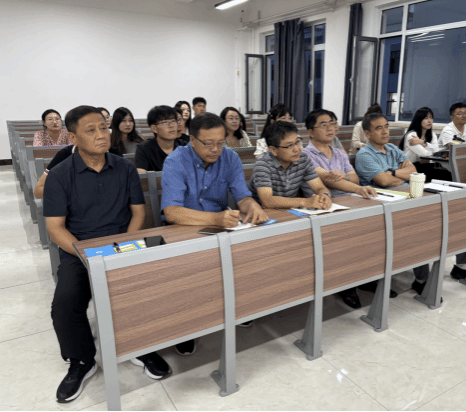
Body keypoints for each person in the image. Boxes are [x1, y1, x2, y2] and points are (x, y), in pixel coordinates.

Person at [44, 106, 170, 404]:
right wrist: (87, 256)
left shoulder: (124, 168)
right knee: (65, 302)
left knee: (151, 285)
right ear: (73, 137)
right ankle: (82, 360)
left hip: (122, 244)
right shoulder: (60, 175)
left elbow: (138, 214)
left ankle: (142, 346)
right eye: (91, 130)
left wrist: (121, 249)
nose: (101, 135)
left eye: (103, 127)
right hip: (78, 250)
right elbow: (55, 228)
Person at [162, 113, 269, 354]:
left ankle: (237, 308)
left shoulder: (230, 158)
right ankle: (186, 327)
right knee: (189, 271)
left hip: (220, 226)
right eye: (208, 143)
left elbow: (242, 196)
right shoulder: (176, 161)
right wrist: (215, 219)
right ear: (192, 140)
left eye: (220, 143)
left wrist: (253, 207)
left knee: (249, 255)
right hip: (184, 227)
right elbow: (172, 212)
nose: (215, 149)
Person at [302, 110, 395, 308]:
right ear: (310, 131)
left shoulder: (338, 152)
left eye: (332, 123)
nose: (330, 128)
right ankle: (347, 285)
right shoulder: (305, 155)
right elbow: (328, 180)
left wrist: (346, 178)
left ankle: (366, 277)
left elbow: (354, 178)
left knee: (375, 229)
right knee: (347, 236)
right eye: (324, 125)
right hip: (325, 206)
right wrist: (355, 187)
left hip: (348, 201)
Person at [249, 121, 333, 210]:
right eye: (289, 146)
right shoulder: (263, 165)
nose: (297, 149)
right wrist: (305, 202)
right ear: (274, 150)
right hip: (262, 212)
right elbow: (267, 201)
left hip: (288, 210)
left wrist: (324, 195)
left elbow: (319, 187)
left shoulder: (303, 159)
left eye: (297, 142)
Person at [34, 144, 123, 199]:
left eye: (103, 128)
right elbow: (38, 191)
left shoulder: (113, 153)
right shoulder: (64, 155)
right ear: (73, 136)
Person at [355, 113, 417, 189]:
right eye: (379, 128)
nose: (385, 132)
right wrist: (405, 177)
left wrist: (392, 173)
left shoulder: (392, 148)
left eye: (386, 127)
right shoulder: (364, 155)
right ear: (367, 134)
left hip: (406, 190)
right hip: (386, 194)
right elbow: (384, 181)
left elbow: (413, 172)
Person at [399, 107, 451, 182]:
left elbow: (436, 150)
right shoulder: (412, 136)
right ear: (419, 119)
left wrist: (424, 144)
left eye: (431, 117)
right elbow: (424, 154)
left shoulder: (432, 135)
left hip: (419, 165)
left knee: (447, 173)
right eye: (426, 118)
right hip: (409, 167)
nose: (429, 121)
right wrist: (433, 151)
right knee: (442, 176)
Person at [136, 106, 184, 173]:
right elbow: (142, 177)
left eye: (173, 121)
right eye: (165, 122)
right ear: (154, 128)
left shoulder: (184, 147)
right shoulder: (144, 149)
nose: (171, 126)